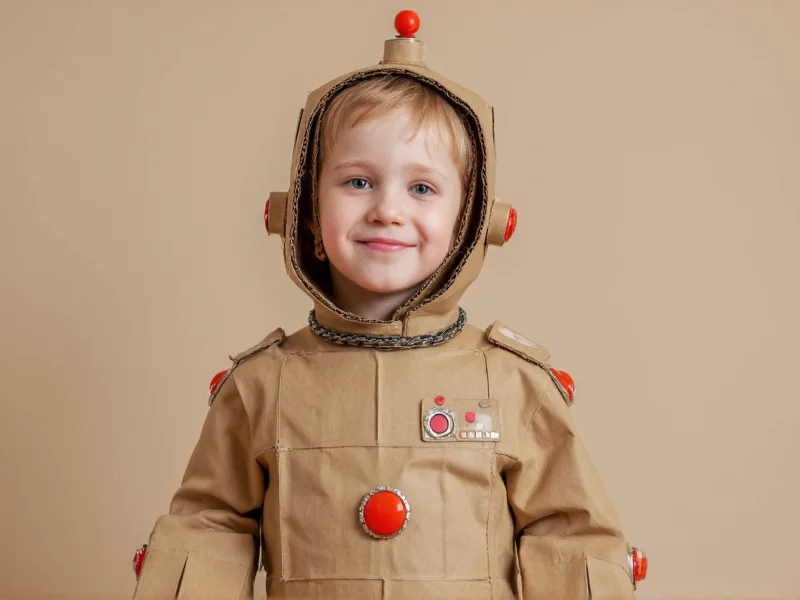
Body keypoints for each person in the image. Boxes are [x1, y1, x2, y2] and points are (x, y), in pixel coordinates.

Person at [131, 10, 647, 600]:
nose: (388, 210)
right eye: (358, 182)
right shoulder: (261, 385)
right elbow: (209, 532)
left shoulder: (512, 382)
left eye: (422, 187)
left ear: (470, 224)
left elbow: (571, 538)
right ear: (305, 212)